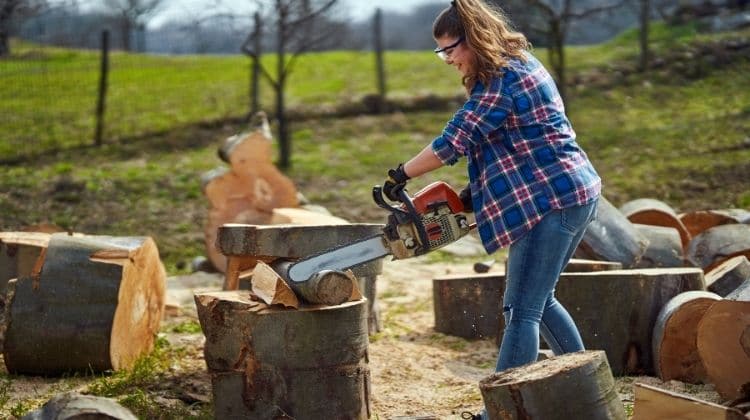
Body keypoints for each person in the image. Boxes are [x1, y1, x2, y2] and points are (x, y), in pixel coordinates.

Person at [382, 0, 601, 417]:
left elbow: (454, 140)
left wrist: (401, 174)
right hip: (571, 192)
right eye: (441, 52)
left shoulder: (503, 78)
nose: (447, 59)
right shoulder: (518, 65)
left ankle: (497, 412)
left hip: (551, 200)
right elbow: (505, 147)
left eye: (451, 50)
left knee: (521, 310)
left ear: (475, 38)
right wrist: (467, 196)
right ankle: (585, 384)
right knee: (540, 301)